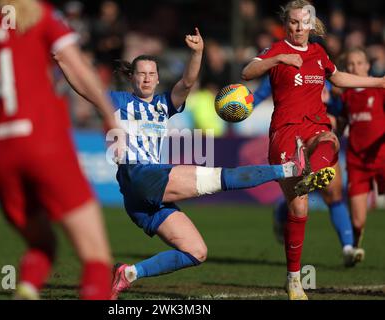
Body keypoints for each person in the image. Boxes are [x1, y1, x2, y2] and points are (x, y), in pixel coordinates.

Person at [109, 27, 317, 300]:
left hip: (142, 198)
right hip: (139, 174)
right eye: (141, 74)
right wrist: (62, 61)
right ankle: (290, 168)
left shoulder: (163, 104)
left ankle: (128, 274)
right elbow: (85, 88)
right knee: (221, 178)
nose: (147, 79)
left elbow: (186, 83)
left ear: (158, 78)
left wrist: (198, 53)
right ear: (131, 77)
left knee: (196, 251)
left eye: (151, 74)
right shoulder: (116, 100)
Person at [0, 0, 119, 300]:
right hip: (44, 141)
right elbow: (76, 64)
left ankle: (28, 287)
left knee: (42, 245)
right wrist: (109, 113)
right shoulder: (36, 13)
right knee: (96, 259)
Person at [241, 0, 385, 300]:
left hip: (314, 125)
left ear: (310, 24)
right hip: (284, 131)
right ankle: (294, 279)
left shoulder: (319, 53)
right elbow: (248, 71)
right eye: (292, 22)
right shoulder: (277, 48)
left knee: (331, 140)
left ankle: (311, 172)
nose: (297, 27)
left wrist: (378, 82)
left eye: (302, 22)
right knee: (300, 208)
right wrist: (276, 60)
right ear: (287, 23)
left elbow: (338, 78)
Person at [253, 76, 361, 267]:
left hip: (320, 137)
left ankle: (348, 248)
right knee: (298, 198)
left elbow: (345, 113)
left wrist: (339, 117)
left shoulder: (326, 74)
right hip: (294, 136)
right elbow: (260, 93)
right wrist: (242, 108)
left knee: (333, 193)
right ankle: (282, 210)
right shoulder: (281, 66)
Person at [337, 47, 385, 262]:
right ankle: (354, 247)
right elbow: (342, 124)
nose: (354, 67)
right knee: (357, 222)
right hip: (357, 161)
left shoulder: (380, 89)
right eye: (350, 64)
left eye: (359, 63)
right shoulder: (346, 95)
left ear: (367, 66)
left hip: (382, 157)